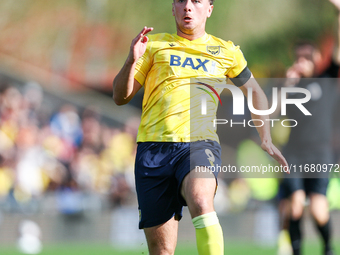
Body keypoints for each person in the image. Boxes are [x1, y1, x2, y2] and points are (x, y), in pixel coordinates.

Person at [113, 0, 288, 254]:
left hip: (199, 144)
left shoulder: (226, 51)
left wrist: (266, 137)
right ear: (173, 8)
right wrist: (131, 60)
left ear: (209, 9)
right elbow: (120, 97)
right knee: (162, 251)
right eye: (181, 1)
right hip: (153, 150)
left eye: (196, 1)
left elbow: (255, 92)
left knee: (201, 199)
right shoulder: (154, 45)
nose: (188, 7)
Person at [280, 1, 340, 254]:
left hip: (320, 153)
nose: (303, 61)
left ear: (317, 57)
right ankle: (297, 251)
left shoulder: (327, 77)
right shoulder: (291, 88)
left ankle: (327, 247)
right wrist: (287, 84)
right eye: (299, 57)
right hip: (293, 154)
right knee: (294, 205)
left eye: (308, 56)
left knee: (318, 208)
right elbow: (269, 114)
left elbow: (337, 46)